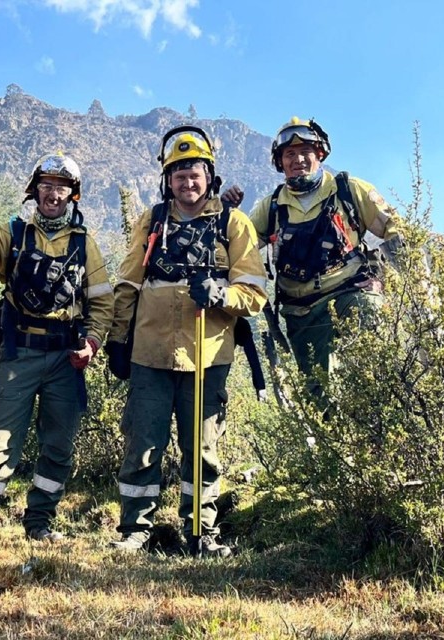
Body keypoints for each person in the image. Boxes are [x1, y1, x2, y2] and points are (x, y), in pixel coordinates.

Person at [103, 126, 268, 556]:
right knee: (142, 444)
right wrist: (117, 339)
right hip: (149, 353)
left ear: (209, 175)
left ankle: (201, 531)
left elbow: (253, 292)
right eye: (178, 175)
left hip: (207, 355)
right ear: (166, 180)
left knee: (203, 448)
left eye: (194, 173)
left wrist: (222, 294)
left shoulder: (234, 224)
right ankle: (135, 530)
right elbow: (127, 282)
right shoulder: (152, 220)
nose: (187, 182)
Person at [0, 152, 113, 543]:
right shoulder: (15, 233)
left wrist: (92, 343)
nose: (52, 194)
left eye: (61, 187)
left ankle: (40, 523)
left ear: (73, 195)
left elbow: (103, 302)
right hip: (18, 354)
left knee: (58, 444)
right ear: (34, 190)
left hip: (65, 358)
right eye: (46, 186)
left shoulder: (84, 244)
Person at [248, 117, 402, 382]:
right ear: (280, 162)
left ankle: (381, 400)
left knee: (373, 366)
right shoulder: (270, 207)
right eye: (290, 154)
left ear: (319, 154)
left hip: (349, 293)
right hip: (301, 311)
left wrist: (398, 281)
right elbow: (242, 249)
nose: (298, 160)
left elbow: (398, 232)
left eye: (306, 152)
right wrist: (226, 215)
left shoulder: (348, 191)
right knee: (320, 398)